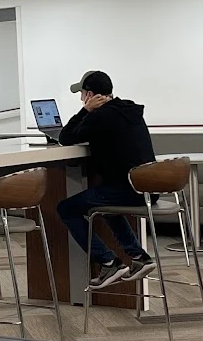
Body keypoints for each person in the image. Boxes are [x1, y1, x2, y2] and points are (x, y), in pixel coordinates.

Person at [57, 70, 156, 289]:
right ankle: (138, 256)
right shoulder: (129, 110)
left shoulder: (100, 117)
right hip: (148, 188)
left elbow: (65, 137)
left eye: (82, 95)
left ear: (90, 95)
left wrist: (85, 111)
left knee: (66, 208)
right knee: (104, 202)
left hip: (128, 190)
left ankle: (108, 262)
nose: (81, 99)